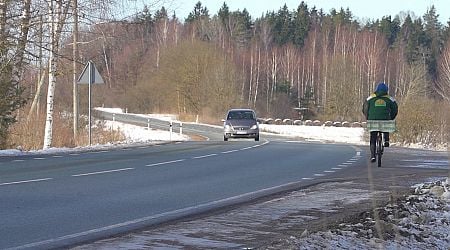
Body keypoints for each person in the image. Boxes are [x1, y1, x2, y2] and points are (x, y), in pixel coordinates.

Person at [362, 82, 398, 162]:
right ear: (386, 90)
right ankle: (386, 141)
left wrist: (367, 117)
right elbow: (395, 109)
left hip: (372, 120)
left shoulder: (370, 98)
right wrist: (391, 118)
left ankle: (373, 156)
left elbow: (364, 108)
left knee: (373, 138)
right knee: (386, 125)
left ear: (376, 89)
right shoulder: (389, 98)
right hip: (385, 120)